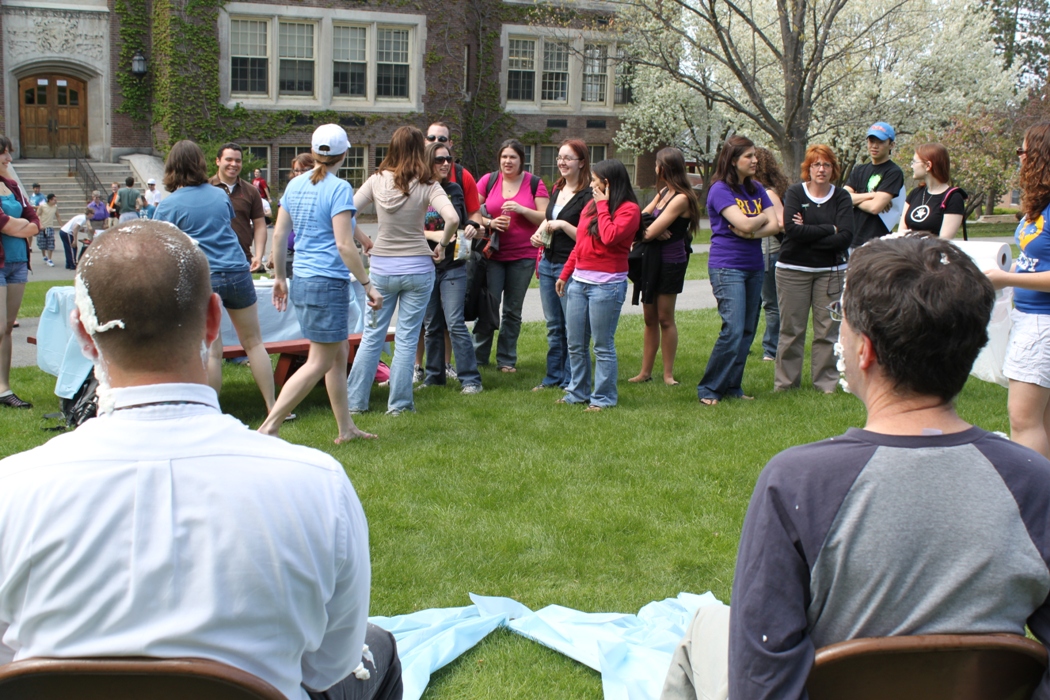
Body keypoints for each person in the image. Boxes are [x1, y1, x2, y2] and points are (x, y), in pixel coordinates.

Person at [0, 221, 403, 700]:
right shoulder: (316, 485)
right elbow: (328, 667)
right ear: (215, 320)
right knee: (377, 646)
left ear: (83, 335)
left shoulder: (13, 489)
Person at [661, 236, 1050, 700]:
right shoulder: (1033, 480)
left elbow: (761, 679)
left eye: (838, 320)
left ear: (863, 350)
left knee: (706, 624)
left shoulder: (798, 481)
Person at [257, 125, 382, 440]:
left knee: (337, 357)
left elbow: (281, 234)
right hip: (326, 283)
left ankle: (346, 428)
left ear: (314, 153)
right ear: (344, 154)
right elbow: (343, 244)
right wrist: (368, 284)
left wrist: (281, 279)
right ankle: (268, 428)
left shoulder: (296, 185)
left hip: (304, 280)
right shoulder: (339, 188)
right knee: (318, 362)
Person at [153, 140, 276, 413]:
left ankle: (211, 412)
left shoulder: (167, 206)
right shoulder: (219, 195)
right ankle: (274, 407)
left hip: (204, 277)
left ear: (172, 167)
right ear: (201, 164)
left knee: (213, 351)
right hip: (237, 271)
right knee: (254, 343)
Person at [345, 125, 458, 416]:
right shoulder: (428, 183)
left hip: (382, 269)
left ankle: (355, 403)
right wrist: (442, 245)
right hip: (419, 269)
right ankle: (399, 406)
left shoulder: (375, 181)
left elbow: (344, 213)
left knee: (372, 336)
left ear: (391, 148)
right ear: (420, 150)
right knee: (407, 338)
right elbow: (453, 218)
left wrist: (364, 240)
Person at [697, 136, 781, 406]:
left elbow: (776, 225)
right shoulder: (720, 189)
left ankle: (733, 385)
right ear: (733, 160)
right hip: (727, 266)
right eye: (748, 156)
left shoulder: (756, 188)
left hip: (755, 265)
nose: (755, 160)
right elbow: (746, 223)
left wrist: (750, 232)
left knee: (746, 330)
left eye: (755, 155)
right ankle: (710, 388)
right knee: (732, 329)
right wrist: (757, 222)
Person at [985, 122, 1050, 458]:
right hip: (1029, 318)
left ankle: (1033, 500)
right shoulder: (1039, 206)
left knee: (1024, 420)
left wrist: (1007, 279)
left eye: (1023, 151)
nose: (1020, 158)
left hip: (1043, 323)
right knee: (1041, 420)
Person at [555, 159, 640, 411]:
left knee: (602, 345)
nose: (591, 185)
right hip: (579, 283)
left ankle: (603, 398)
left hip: (607, 286)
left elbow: (610, 236)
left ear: (609, 183)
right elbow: (580, 243)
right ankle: (577, 393)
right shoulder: (591, 205)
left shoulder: (629, 209)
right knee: (575, 342)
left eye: (595, 181)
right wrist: (565, 273)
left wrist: (603, 205)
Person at [776, 144, 854, 393]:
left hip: (830, 272)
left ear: (833, 169)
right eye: (816, 165)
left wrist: (808, 230)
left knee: (827, 330)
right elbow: (792, 230)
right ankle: (786, 385)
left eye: (826, 165)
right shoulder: (795, 193)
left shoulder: (841, 197)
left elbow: (846, 237)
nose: (821, 169)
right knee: (791, 330)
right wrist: (830, 228)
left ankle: (826, 385)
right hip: (792, 270)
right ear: (807, 169)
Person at [470, 138, 549, 372]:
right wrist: (490, 221)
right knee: (487, 306)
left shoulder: (534, 183)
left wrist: (522, 209)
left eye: (513, 157)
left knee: (512, 311)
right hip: (492, 255)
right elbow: (471, 211)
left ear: (521, 160)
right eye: (504, 156)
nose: (508, 161)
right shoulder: (488, 180)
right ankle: (478, 358)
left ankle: (506, 359)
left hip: (523, 256)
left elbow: (545, 217)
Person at [414, 121, 483, 382]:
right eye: (439, 160)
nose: (445, 164)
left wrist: (472, 228)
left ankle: (470, 380)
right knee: (431, 325)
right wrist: (438, 237)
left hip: (454, 264)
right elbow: (411, 228)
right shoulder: (417, 189)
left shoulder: (455, 188)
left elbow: (468, 218)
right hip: (425, 263)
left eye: (448, 159)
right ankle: (434, 377)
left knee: (454, 322)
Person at [629, 147, 703, 386]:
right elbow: (640, 220)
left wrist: (648, 230)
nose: (655, 168)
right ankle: (645, 372)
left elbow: (647, 232)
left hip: (671, 262)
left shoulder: (682, 198)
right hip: (650, 262)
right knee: (649, 318)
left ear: (665, 168)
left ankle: (668, 374)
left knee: (665, 318)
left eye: (657, 164)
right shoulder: (663, 192)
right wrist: (648, 229)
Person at [530, 139, 592, 391]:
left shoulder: (589, 196)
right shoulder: (558, 190)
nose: (562, 162)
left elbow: (589, 237)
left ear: (582, 163)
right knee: (554, 326)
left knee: (572, 327)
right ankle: (553, 376)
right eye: (559, 157)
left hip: (572, 266)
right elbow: (548, 220)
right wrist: (539, 234)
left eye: (568, 158)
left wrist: (564, 226)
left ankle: (571, 380)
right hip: (548, 263)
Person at [0, 135, 40, 409]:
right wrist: (20, 225)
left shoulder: (12, 186)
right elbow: (4, 224)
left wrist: (22, 225)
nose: (9, 159)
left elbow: (34, 219)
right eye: (4, 154)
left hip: (17, 264)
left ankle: (3, 388)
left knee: (6, 329)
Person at [753, 148, 789, 362]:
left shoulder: (768, 192)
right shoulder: (757, 190)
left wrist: (757, 224)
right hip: (760, 253)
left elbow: (782, 222)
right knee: (756, 302)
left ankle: (771, 349)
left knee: (771, 303)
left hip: (771, 252)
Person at [844, 121, 905, 247]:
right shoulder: (859, 169)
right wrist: (873, 195)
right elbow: (843, 197)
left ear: (891, 145)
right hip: (851, 238)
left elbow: (875, 207)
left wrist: (855, 197)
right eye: (871, 141)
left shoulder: (893, 172)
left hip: (876, 242)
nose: (874, 146)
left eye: (880, 142)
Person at [211, 142, 267, 271]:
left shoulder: (251, 191)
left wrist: (258, 256)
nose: (234, 164)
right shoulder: (205, 188)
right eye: (228, 160)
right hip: (212, 260)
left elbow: (259, 225)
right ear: (218, 161)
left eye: (238, 161)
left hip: (242, 259)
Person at [899, 143, 966, 239]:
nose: (912, 166)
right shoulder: (915, 193)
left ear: (928, 165)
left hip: (932, 253)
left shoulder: (953, 198)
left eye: (914, 162)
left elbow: (944, 242)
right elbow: (901, 233)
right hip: (907, 252)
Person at [267, 153, 316, 280]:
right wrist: (273, 253)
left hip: (310, 250)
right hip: (289, 249)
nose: (299, 174)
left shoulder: (320, 191)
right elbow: (279, 228)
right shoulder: (291, 191)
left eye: (304, 170)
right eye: (296, 171)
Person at [35, 193, 60, 267]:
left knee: (51, 244)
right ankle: (44, 256)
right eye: (54, 200)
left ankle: (49, 259)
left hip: (50, 227)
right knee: (42, 244)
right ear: (50, 200)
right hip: (42, 227)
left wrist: (62, 225)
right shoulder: (42, 206)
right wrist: (40, 225)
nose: (56, 201)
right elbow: (36, 216)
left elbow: (58, 216)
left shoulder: (55, 207)